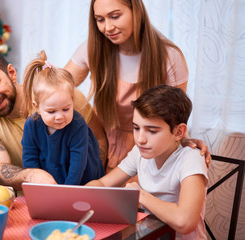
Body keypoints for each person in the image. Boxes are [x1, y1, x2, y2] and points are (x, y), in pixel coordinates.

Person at [64, 0, 211, 172]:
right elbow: (57, 89)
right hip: (98, 147)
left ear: (136, 11)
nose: (107, 27)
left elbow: (176, 115)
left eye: (115, 16)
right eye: (100, 19)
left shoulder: (169, 57)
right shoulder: (92, 49)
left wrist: (185, 140)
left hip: (146, 152)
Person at [0, 47, 107, 190]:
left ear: (12, 73)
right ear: (35, 106)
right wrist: (32, 177)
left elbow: (99, 140)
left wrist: (91, 185)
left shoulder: (63, 97)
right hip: (36, 196)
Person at [86, 84, 208, 239]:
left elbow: (185, 221)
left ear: (178, 132)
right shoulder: (140, 152)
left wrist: (140, 195)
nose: (140, 139)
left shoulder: (191, 159)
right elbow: (103, 184)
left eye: (152, 131)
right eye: (136, 128)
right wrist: (85, 193)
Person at [21, 50, 105, 185]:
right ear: (37, 107)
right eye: (51, 111)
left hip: (82, 178)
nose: (59, 116)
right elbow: (30, 160)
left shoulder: (78, 125)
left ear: (72, 101)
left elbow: (77, 166)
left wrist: (67, 192)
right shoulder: (31, 124)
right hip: (51, 177)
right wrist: (37, 186)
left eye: (66, 109)